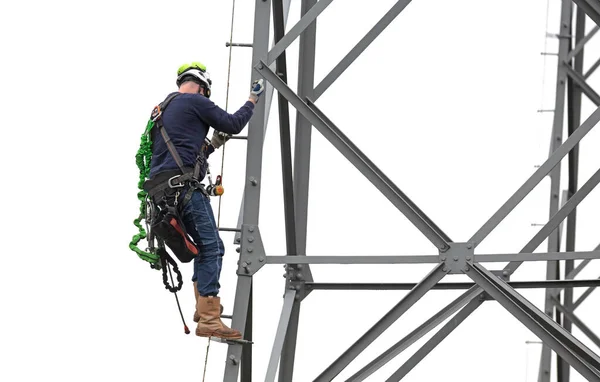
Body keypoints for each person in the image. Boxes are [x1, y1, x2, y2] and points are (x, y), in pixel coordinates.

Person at [148, 61, 265, 339]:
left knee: (206, 248)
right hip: (184, 189)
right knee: (212, 248)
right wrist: (252, 99)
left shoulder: (161, 111)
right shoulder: (196, 101)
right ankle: (210, 319)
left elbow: (181, 151)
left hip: (163, 192)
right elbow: (234, 123)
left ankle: (204, 311)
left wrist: (211, 145)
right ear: (202, 87)